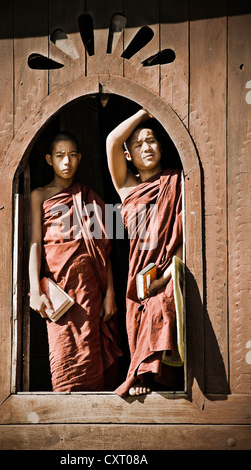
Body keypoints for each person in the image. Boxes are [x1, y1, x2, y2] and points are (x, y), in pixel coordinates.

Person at [29, 131, 122, 392]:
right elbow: (35, 244)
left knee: (92, 351)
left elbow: (105, 248)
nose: (66, 161)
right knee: (63, 354)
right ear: (49, 159)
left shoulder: (89, 196)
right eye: (60, 156)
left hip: (89, 288)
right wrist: (34, 291)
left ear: (79, 158)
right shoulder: (39, 196)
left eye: (72, 155)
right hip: (58, 291)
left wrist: (111, 293)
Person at [106, 108, 183, 397]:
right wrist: (145, 112)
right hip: (138, 276)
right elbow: (113, 140)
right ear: (128, 156)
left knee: (161, 304)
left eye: (150, 141)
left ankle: (147, 376)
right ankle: (142, 373)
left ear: (161, 147)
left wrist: (166, 275)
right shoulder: (127, 189)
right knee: (140, 319)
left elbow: (181, 233)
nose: (146, 148)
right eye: (137, 145)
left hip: (168, 271)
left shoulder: (177, 182)